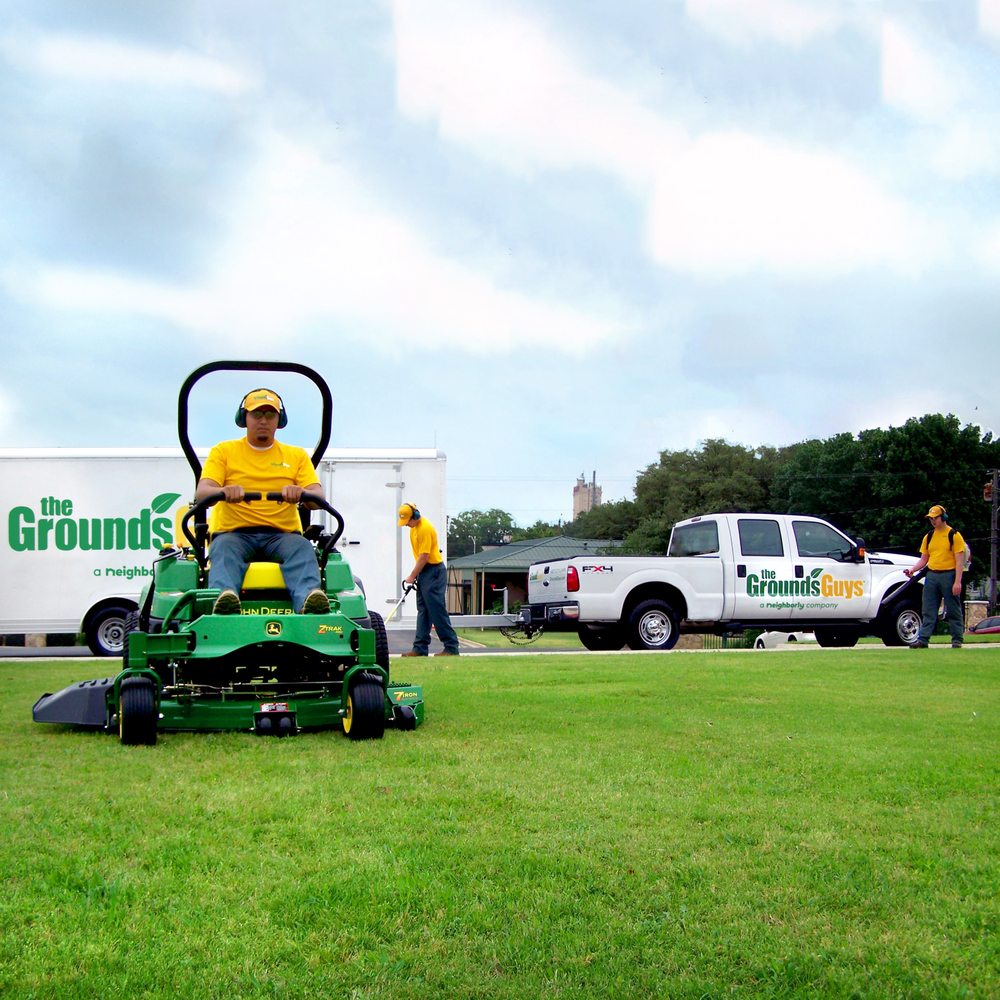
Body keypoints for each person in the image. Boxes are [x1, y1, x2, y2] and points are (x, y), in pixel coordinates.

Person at [195, 388, 330, 616]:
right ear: (244, 418)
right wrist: (224, 491)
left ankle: (309, 602)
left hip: (282, 536)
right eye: (257, 414)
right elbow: (203, 493)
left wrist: (301, 492)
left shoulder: (296, 456)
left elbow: (317, 497)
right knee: (224, 551)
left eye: (270, 415)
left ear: (279, 420)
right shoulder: (224, 451)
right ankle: (224, 601)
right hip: (234, 535)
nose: (263, 420)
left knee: (303, 548)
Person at [398, 502, 460, 656]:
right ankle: (419, 648)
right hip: (425, 572)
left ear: (415, 516)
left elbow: (424, 556)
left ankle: (451, 647)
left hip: (434, 571)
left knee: (436, 610)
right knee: (423, 611)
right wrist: (418, 574)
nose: (406, 525)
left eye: (407, 521)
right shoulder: (413, 529)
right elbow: (420, 557)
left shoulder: (425, 528)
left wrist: (412, 575)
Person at [903, 504, 965, 648]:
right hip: (932, 575)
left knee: (953, 609)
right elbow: (924, 559)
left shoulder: (954, 535)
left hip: (949, 574)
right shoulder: (929, 536)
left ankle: (957, 639)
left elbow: (959, 561)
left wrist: (957, 582)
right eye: (930, 518)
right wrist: (912, 570)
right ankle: (923, 639)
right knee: (928, 609)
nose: (932, 521)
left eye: (935, 518)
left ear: (943, 517)